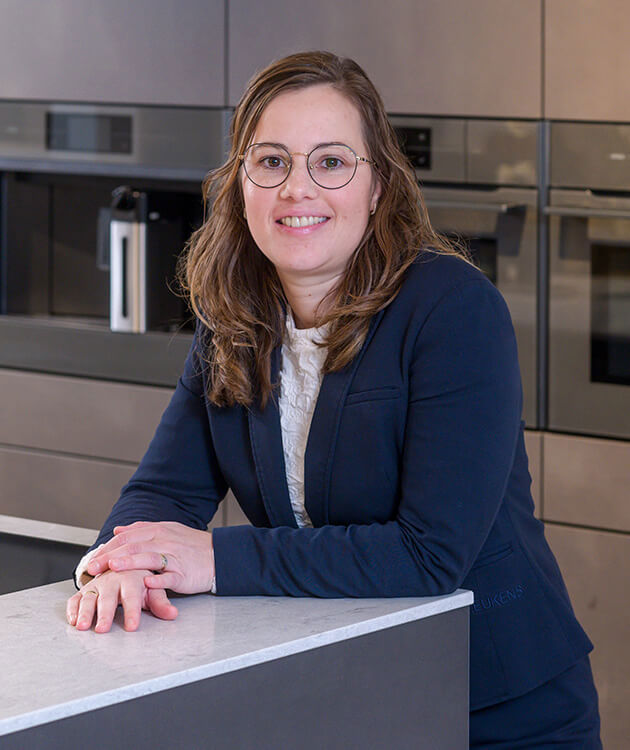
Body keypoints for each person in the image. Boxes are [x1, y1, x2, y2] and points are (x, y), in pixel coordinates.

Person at [66, 51, 601, 747]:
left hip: (495, 707)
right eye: (272, 162)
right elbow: (162, 491)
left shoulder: (454, 310)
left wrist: (215, 559)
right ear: (241, 183)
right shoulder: (234, 318)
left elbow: (428, 555)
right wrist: (116, 567)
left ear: (378, 185)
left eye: (331, 162)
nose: (298, 188)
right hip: (339, 695)